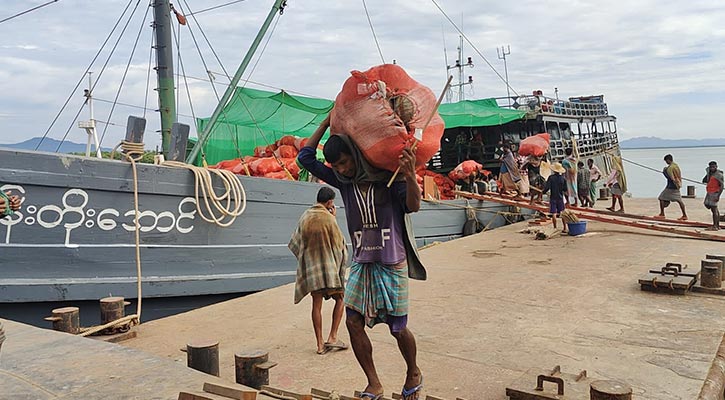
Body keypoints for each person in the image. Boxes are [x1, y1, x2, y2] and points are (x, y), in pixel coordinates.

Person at [297, 115, 425, 400]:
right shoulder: (343, 182)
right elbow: (305, 158)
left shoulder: (387, 179)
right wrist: (327, 122)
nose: (342, 169)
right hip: (361, 262)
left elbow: (413, 206)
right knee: (352, 322)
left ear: (354, 155)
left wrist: (410, 174)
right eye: (337, 166)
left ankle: (413, 371)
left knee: (398, 328)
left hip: (392, 261)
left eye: (345, 162)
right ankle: (373, 383)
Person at [288, 186, 349, 355]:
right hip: (329, 271)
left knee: (316, 305)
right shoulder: (329, 219)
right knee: (341, 299)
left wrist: (308, 261)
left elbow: (295, 243)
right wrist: (333, 217)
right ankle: (333, 336)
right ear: (330, 202)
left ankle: (320, 345)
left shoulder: (305, 216)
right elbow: (340, 246)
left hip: (313, 271)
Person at [655, 154, 687, 221]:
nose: (666, 162)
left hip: (671, 186)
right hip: (677, 185)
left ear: (668, 160)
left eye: (666, 161)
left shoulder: (670, 168)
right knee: (679, 201)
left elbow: (670, 178)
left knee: (661, 198)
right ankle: (684, 215)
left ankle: (662, 214)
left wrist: (664, 172)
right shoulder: (676, 166)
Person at [543, 163, 568, 233]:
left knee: (554, 213)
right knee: (562, 213)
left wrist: (543, 192)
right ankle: (565, 228)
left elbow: (547, 187)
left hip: (553, 197)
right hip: (560, 197)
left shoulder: (551, 178)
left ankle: (555, 227)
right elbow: (565, 189)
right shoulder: (563, 179)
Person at [702, 161, 724, 231]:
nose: (712, 168)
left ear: (716, 167)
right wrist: (707, 174)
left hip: (715, 193)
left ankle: (715, 226)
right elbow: (704, 180)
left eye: (714, 167)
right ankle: (717, 225)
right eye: (711, 167)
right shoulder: (710, 173)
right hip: (709, 192)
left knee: (714, 209)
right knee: (709, 206)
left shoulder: (719, 175)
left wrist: (718, 196)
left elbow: (722, 186)